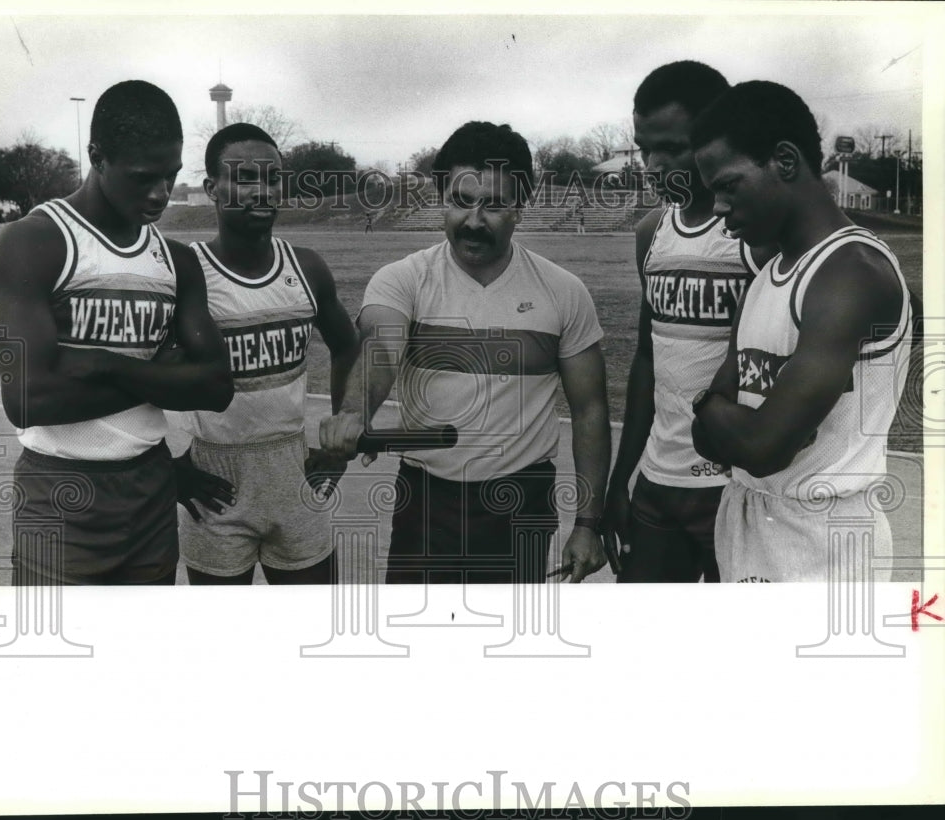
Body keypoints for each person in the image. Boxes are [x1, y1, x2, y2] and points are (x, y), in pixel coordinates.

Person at [320, 121, 611, 584]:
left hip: (522, 501)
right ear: (441, 200)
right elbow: (382, 350)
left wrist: (588, 523)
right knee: (421, 643)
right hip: (426, 500)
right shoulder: (403, 279)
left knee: (509, 646)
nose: (474, 220)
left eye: (494, 204)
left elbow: (591, 411)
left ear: (520, 207)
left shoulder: (563, 291)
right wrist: (355, 412)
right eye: (460, 200)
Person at [0, 80, 233, 586]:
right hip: (59, 486)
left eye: (170, 177)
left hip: (149, 484)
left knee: (140, 654)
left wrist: (110, 365)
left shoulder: (177, 261)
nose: (161, 195)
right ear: (96, 157)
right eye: (144, 177)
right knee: (57, 651)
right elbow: (28, 399)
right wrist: (159, 378)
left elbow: (215, 388)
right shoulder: (36, 241)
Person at [689, 81, 913, 582]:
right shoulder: (768, 276)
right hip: (750, 519)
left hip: (826, 540)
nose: (719, 208)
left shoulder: (851, 271)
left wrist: (710, 407)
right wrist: (725, 420)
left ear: (784, 161)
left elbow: (764, 447)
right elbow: (713, 439)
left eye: (728, 185)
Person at [167, 123, 359, 585]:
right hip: (215, 480)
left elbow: (349, 345)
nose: (262, 190)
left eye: (272, 178)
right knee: (226, 642)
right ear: (212, 188)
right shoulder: (186, 272)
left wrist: (340, 437)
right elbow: (140, 370)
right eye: (245, 177)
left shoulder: (306, 266)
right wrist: (168, 465)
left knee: (311, 632)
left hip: (295, 473)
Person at [604, 61, 772, 583]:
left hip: (738, 488)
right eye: (643, 148)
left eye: (673, 148)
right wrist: (620, 480)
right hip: (658, 483)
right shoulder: (650, 232)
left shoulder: (757, 236)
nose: (653, 164)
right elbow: (648, 359)